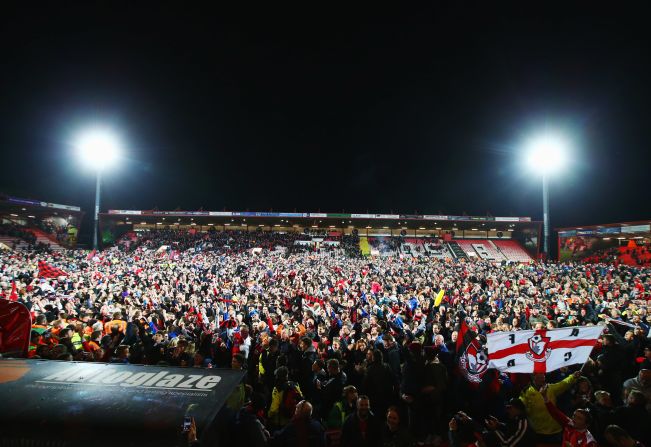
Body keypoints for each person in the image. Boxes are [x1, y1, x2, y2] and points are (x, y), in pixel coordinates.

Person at [519, 370, 580, 443]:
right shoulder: (526, 392)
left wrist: (573, 377)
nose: (542, 378)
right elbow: (520, 406)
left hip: (555, 430)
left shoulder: (550, 388)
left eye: (543, 376)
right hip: (538, 431)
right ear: (534, 378)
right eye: (539, 376)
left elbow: (563, 384)